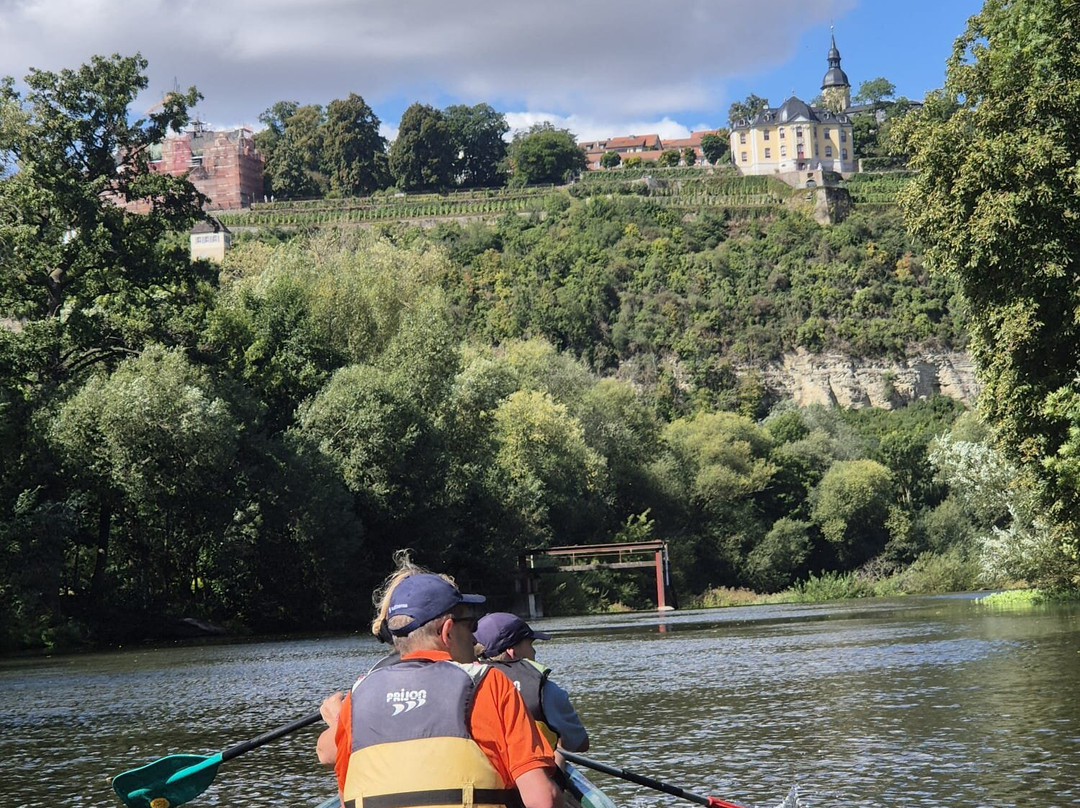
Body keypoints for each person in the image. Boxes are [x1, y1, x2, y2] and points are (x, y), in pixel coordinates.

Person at [318, 571, 562, 808]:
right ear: (447, 632)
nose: (475, 637)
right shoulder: (490, 684)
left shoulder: (357, 696)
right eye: (470, 625)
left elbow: (345, 795)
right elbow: (542, 800)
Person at [474, 613, 589, 754]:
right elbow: (579, 744)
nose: (534, 651)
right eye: (529, 644)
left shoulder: (463, 682)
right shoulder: (546, 690)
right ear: (512, 652)